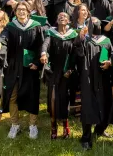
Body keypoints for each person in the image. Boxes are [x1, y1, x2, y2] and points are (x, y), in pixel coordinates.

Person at [0, 1, 45, 139]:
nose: (21, 12)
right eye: (19, 10)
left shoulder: (36, 26)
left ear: (28, 11)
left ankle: (33, 125)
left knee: (33, 96)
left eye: (24, 10)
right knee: (12, 95)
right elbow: (3, 36)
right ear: (15, 12)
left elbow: (41, 46)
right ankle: (15, 124)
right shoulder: (11, 26)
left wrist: (37, 63)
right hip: (14, 66)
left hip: (30, 67)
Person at [74, 18, 113, 150]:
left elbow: (112, 55)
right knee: (88, 106)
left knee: (106, 103)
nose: (95, 23)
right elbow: (78, 51)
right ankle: (86, 138)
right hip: (88, 77)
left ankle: (100, 129)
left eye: (97, 22)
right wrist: (81, 36)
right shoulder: (85, 39)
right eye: (92, 22)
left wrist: (109, 62)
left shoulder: (106, 40)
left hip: (103, 78)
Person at [40, 11, 78, 139]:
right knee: (53, 98)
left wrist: (71, 69)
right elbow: (45, 44)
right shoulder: (51, 33)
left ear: (68, 21)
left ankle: (65, 125)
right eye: (60, 16)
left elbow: (75, 53)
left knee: (65, 99)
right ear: (57, 20)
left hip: (66, 72)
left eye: (65, 17)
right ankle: (53, 125)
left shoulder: (73, 35)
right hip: (53, 71)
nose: (62, 17)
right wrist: (43, 54)